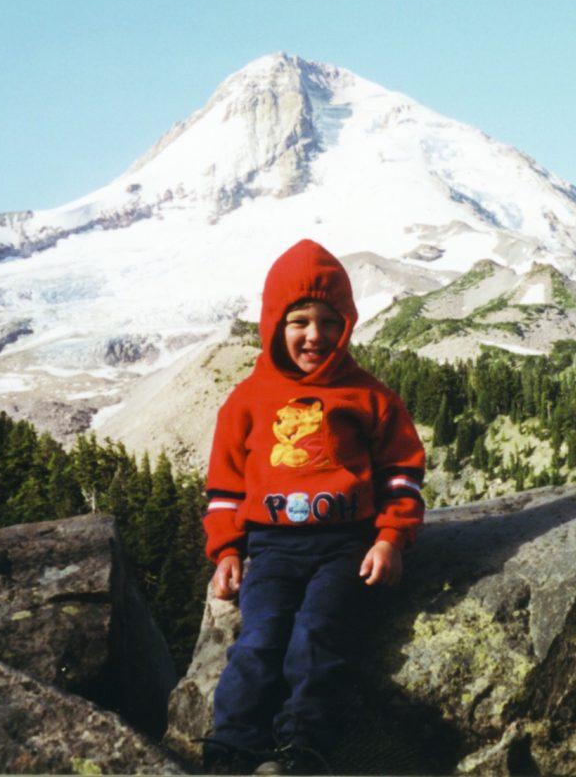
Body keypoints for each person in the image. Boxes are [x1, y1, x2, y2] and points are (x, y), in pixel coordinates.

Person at [199, 238, 425, 775]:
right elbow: (226, 486)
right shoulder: (248, 398)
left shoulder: (368, 395)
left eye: (329, 321)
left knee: (318, 633)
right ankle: (233, 744)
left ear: (346, 324)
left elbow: (402, 473)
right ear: (275, 324)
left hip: (345, 545)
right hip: (272, 547)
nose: (314, 335)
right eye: (299, 320)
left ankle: (305, 743)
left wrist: (391, 539)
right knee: (259, 638)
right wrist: (227, 550)